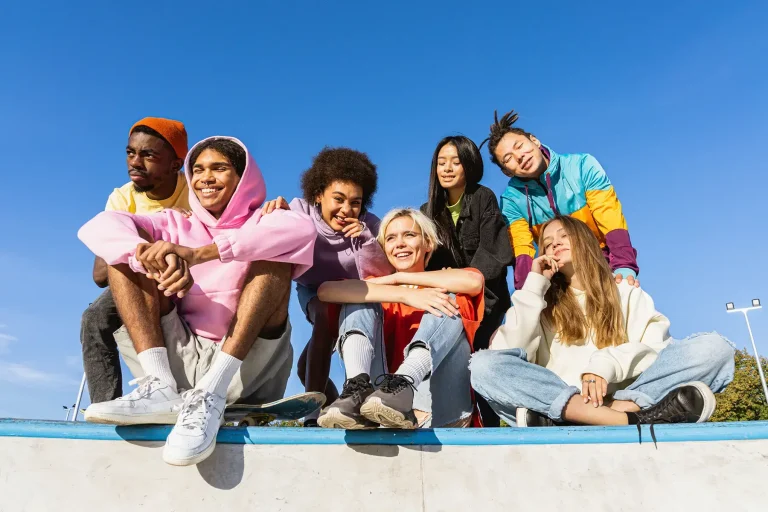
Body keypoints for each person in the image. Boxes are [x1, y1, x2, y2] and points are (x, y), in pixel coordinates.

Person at [78, 136, 316, 466]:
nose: (206, 177)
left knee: (274, 256)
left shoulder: (268, 218)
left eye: (219, 168)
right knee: (127, 252)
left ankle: (210, 394)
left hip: (244, 365)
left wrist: (196, 255)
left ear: (243, 177)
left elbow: (302, 232)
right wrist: (150, 258)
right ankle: (158, 387)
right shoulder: (174, 222)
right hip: (180, 353)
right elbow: (100, 226)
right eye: (199, 169)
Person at [470, 216, 735, 431]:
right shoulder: (539, 299)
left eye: (564, 235)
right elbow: (509, 353)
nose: (554, 244)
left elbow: (656, 349)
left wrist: (605, 365)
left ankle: (612, 412)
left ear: (585, 240)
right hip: (559, 399)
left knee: (714, 349)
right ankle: (622, 419)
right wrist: (534, 284)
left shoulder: (625, 291)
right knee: (482, 366)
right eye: (547, 242)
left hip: (623, 394)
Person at [316, 208, 484, 429]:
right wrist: (403, 291)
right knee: (359, 297)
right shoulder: (380, 289)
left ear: (428, 243)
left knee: (448, 298)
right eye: (391, 238)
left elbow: (474, 281)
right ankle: (356, 392)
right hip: (380, 407)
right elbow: (326, 291)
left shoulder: (446, 279)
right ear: (384, 248)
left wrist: (404, 278)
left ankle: (405, 382)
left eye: (410, 235)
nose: (400, 243)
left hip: (440, 409)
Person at [260, 147, 392, 426]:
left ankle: (320, 414)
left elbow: (382, 276)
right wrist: (274, 213)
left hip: (355, 295)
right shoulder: (300, 210)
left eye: (355, 203)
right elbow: (272, 230)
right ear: (318, 195)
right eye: (339, 199)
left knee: (306, 362)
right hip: (313, 290)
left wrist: (368, 242)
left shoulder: (369, 225)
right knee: (312, 345)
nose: (346, 210)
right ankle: (327, 410)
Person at [81, 117, 190, 404]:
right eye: (131, 153)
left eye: (148, 155)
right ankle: (105, 407)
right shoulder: (121, 198)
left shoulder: (195, 191)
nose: (135, 162)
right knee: (93, 319)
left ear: (176, 164)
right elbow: (101, 274)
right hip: (143, 279)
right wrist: (151, 234)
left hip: (195, 278)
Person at [484, 109, 639, 290]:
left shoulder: (582, 166)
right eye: (508, 159)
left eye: (519, 146)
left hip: (602, 262)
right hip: (560, 276)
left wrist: (624, 266)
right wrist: (526, 292)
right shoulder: (511, 201)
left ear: (534, 140)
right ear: (506, 171)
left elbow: (610, 215)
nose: (519, 157)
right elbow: (522, 249)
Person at [421, 135, 513, 426]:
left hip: (487, 304)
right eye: (441, 162)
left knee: (484, 368)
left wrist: (462, 283)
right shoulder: (427, 212)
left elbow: (495, 254)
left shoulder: (483, 197)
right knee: (453, 366)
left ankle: (494, 430)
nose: (447, 168)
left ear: (469, 165)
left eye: (455, 161)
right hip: (450, 304)